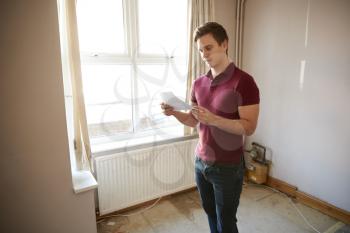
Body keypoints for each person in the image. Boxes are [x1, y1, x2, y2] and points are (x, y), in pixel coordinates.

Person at [161, 22, 260, 233]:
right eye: (200, 50)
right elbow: (192, 120)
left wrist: (214, 120)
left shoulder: (244, 81)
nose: (204, 54)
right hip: (201, 162)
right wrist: (174, 113)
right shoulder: (198, 83)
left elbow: (249, 127)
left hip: (227, 167)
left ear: (224, 44)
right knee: (209, 212)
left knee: (226, 220)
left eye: (208, 47)